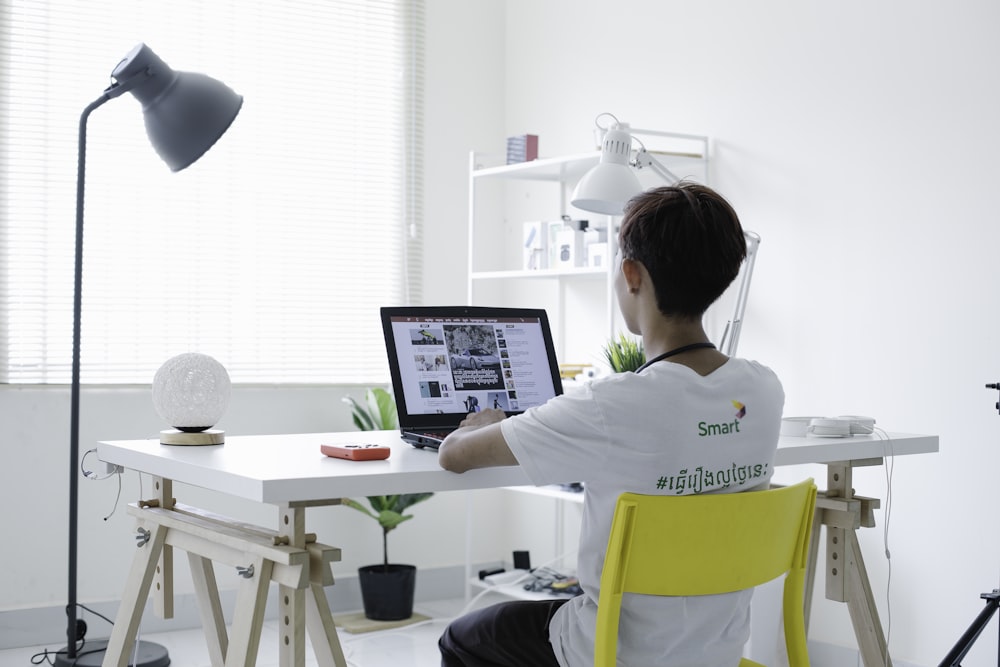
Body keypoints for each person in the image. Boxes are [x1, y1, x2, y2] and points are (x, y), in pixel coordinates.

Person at [437, 183, 785, 667]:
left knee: (463, 636)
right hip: (718, 652)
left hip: (613, 652)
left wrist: (486, 423)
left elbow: (454, 457)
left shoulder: (612, 402)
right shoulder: (764, 391)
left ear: (632, 274)